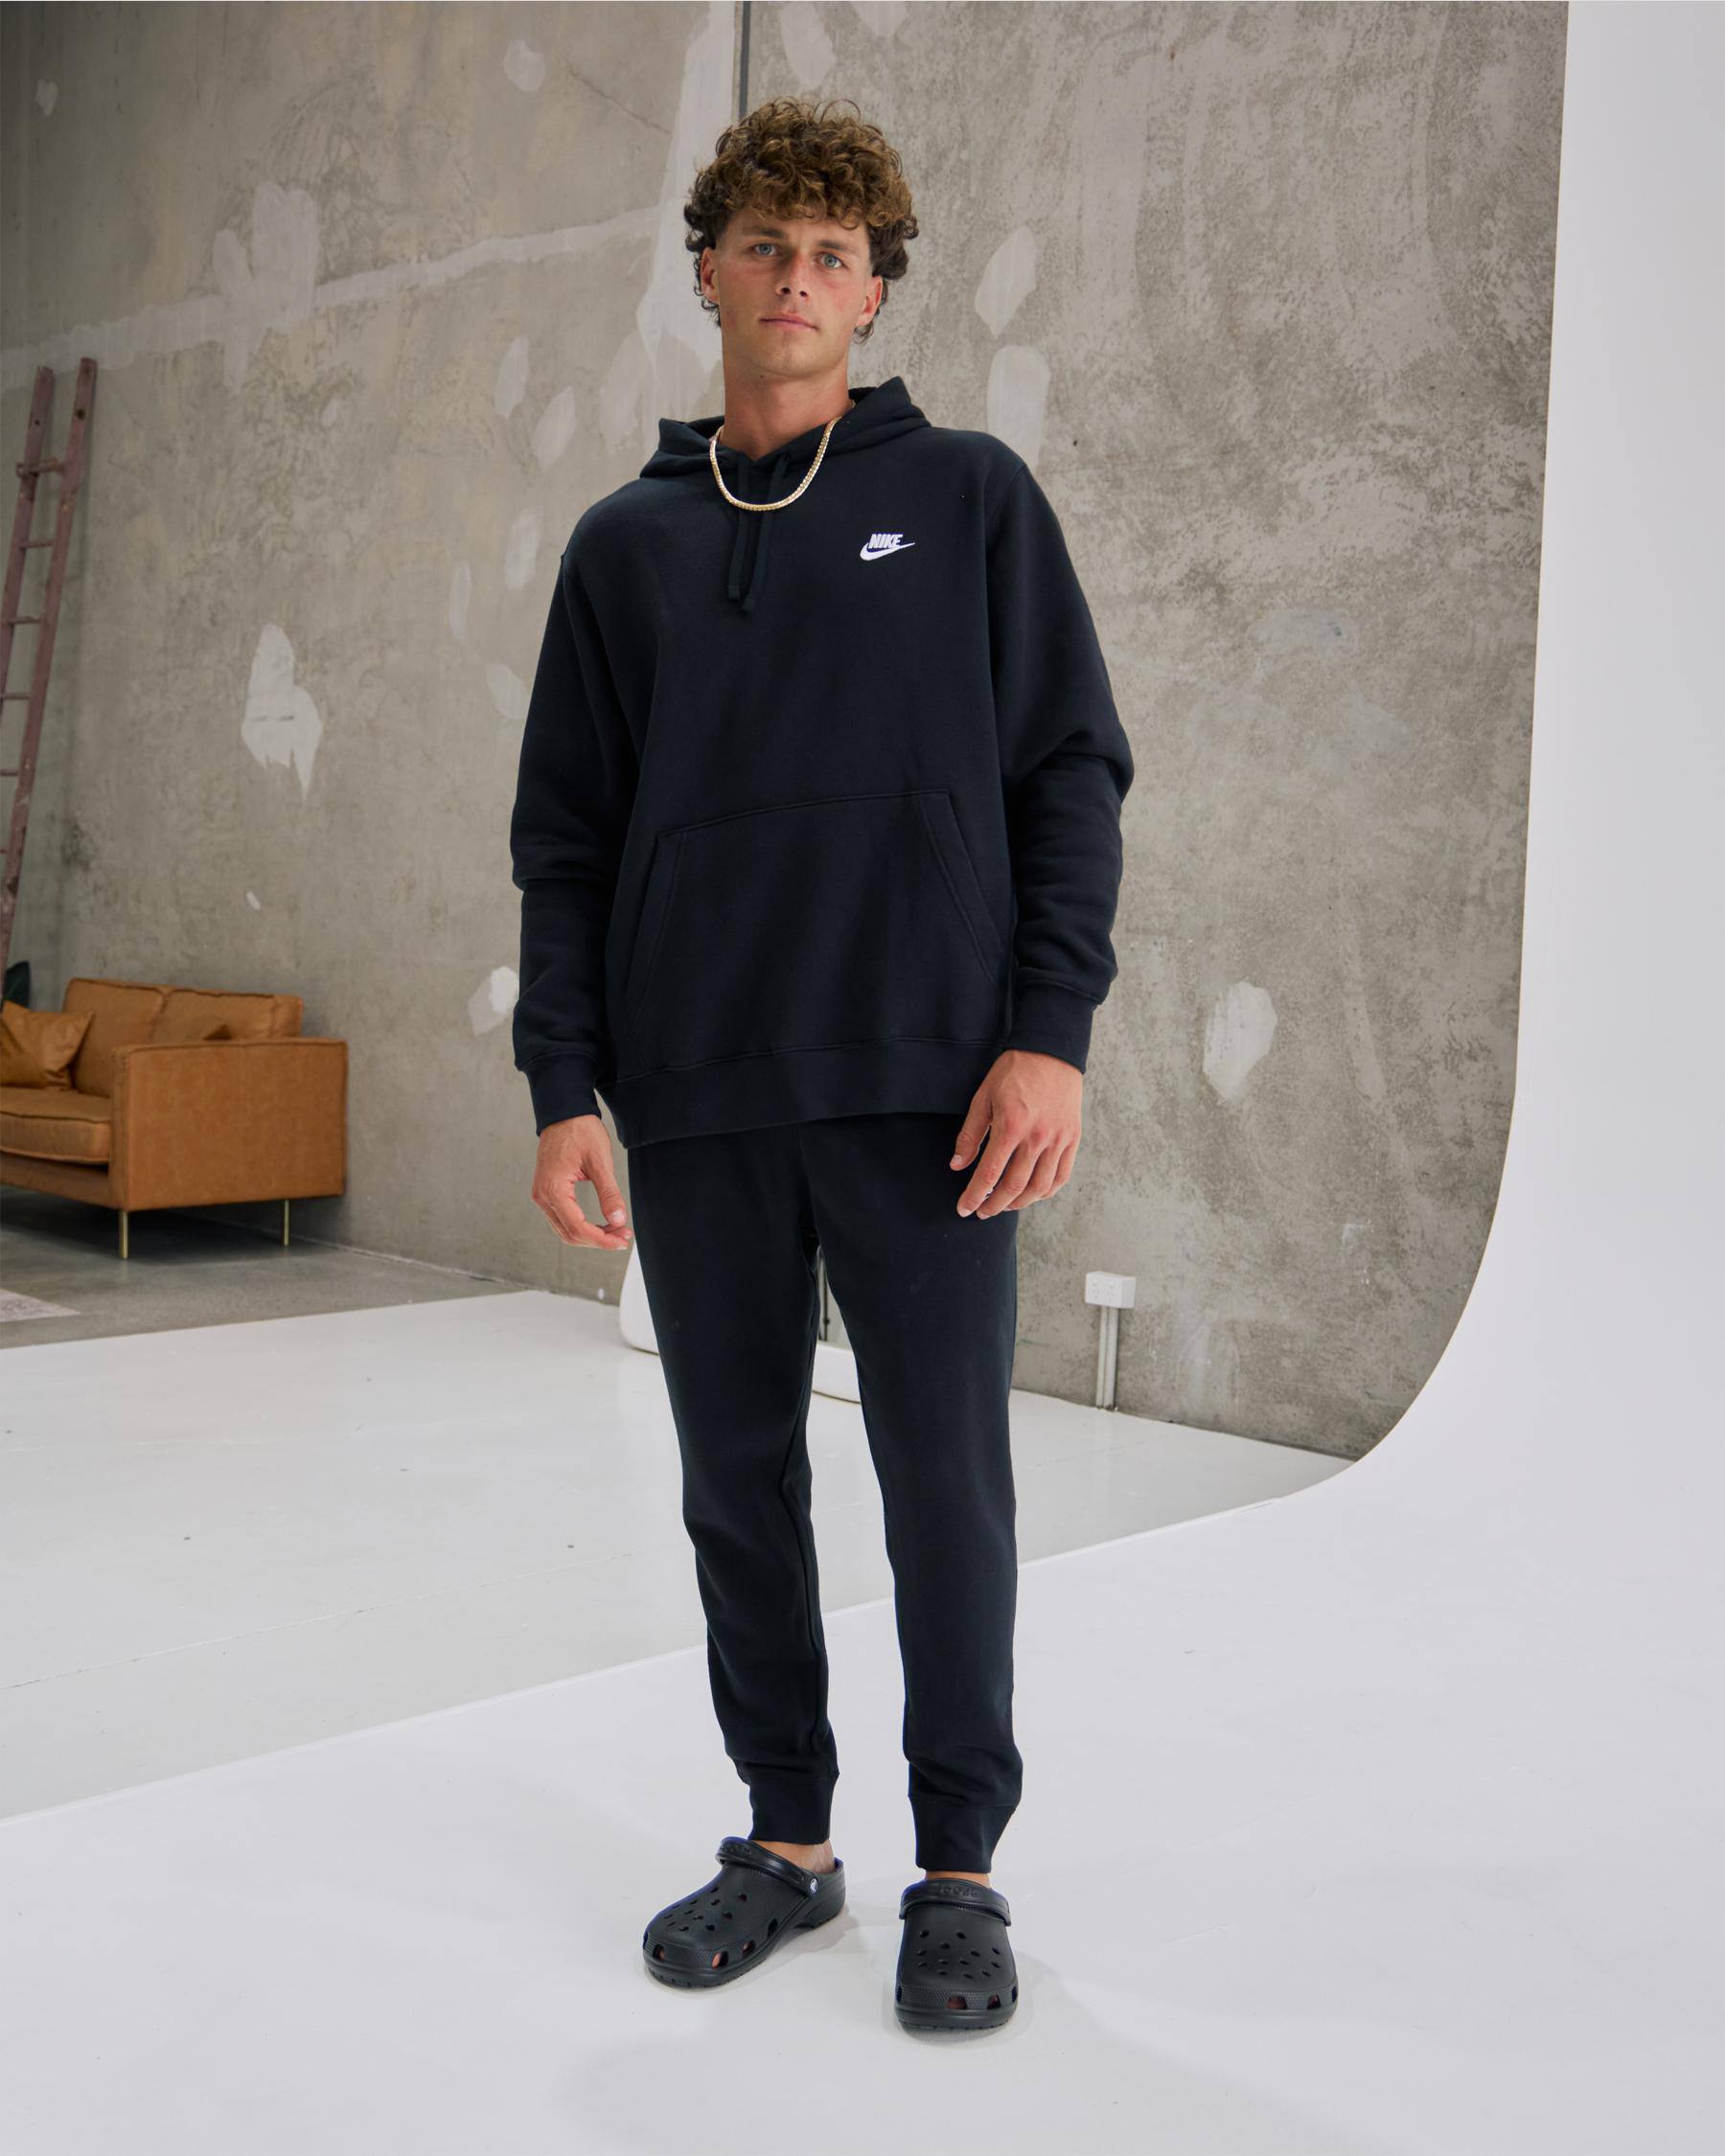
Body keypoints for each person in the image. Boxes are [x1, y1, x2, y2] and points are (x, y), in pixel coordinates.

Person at [509, 94, 1133, 2035]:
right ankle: (786, 1840)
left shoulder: (969, 501)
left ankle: (962, 1869)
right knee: (735, 1482)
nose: (799, 277)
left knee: (947, 1482)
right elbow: (566, 840)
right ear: (708, 271)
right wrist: (561, 1083)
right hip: (698, 1093)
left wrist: (1048, 1039)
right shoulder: (624, 548)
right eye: (768, 244)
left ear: (875, 293)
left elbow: (1069, 773)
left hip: (933, 1090)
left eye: (836, 254)